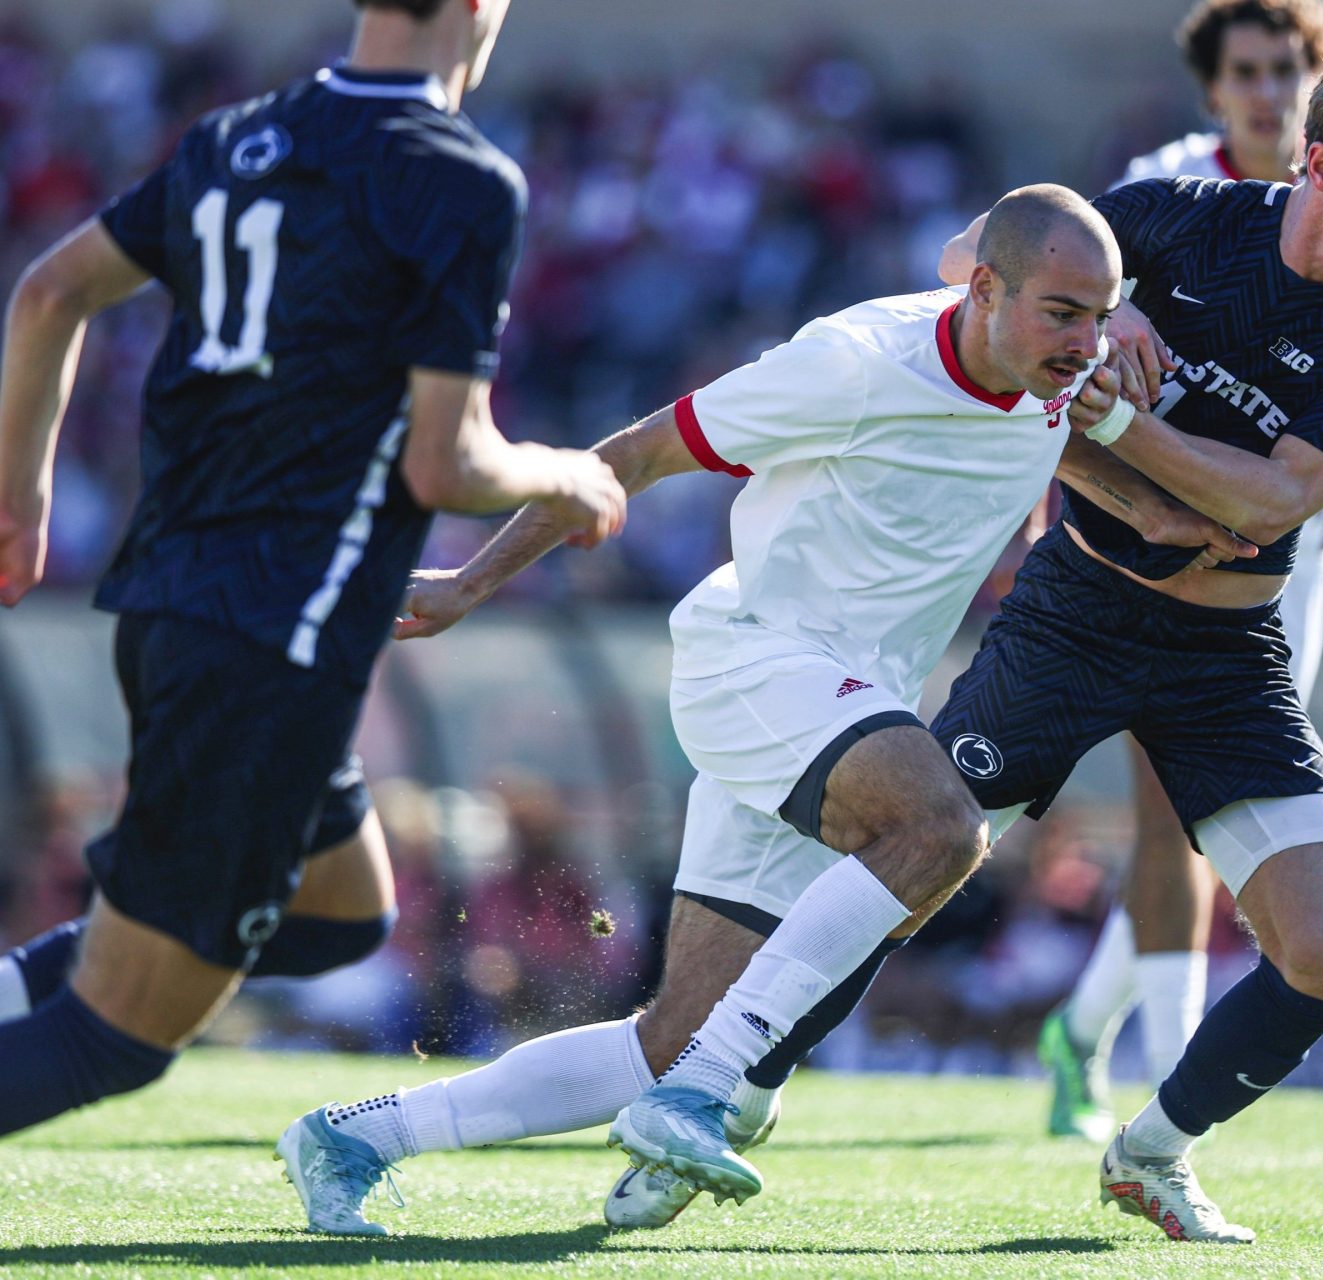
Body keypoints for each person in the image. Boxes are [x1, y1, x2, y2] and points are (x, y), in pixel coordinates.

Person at [279, 184, 1256, 1235]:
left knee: (666, 1036)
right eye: (1064, 311)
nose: (1089, 341)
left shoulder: (1044, 371)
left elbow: (1049, 434)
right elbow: (637, 451)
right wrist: (471, 579)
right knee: (938, 827)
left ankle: (355, 1134)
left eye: (1102, 314)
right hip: (757, 661)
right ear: (983, 290)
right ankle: (705, 1089)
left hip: (836, 707)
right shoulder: (856, 361)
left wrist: (1160, 511)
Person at [0, 0, 628, 1138]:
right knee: (116, 1036)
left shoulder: (238, 137)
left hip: (168, 602)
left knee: (343, 914)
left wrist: (16, 498)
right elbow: (450, 459)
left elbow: (49, 291)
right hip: (271, 646)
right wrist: (567, 475)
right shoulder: (458, 175)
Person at [1038, 0, 1323, 1145]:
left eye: (1291, 66)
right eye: (1250, 71)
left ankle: (1088, 1033)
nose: (1271, 89)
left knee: (1210, 809)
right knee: (1163, 802)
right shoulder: (1175, 183)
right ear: (1214, 90)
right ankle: (1148, 1059)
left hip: (1282, 538)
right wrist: (1117, 314)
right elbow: (1054, 292)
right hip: (1123, 530)